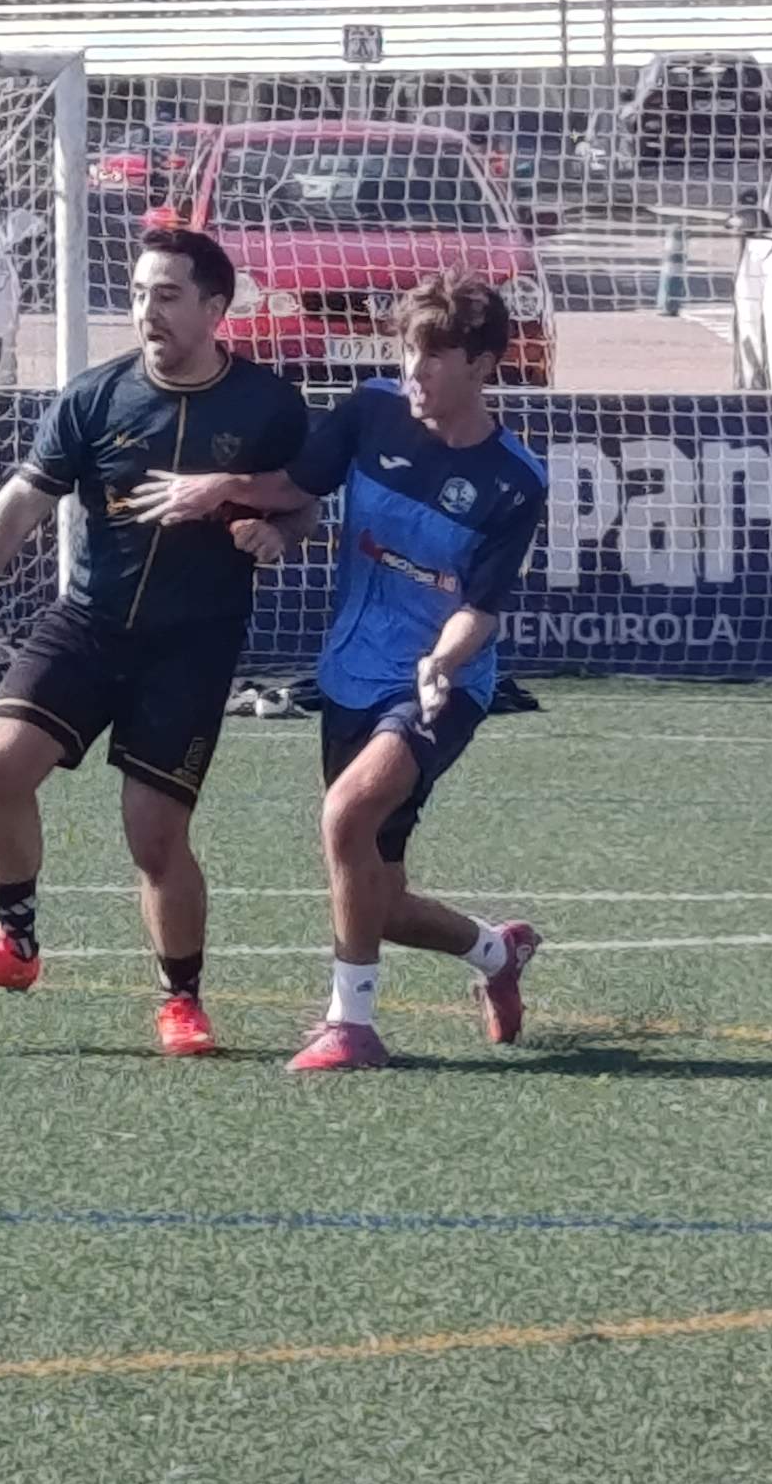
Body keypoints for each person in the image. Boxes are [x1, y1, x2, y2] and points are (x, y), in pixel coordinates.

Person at [0, 225, 313, 1057]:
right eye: (140, 293)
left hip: (192, 646)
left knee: (154, 835)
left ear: (215, 308)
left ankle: (181, 1000)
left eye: (169, 295)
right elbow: (22, 501)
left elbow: (302, 500)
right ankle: (13, 942)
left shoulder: (267, 404)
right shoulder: (95, 397)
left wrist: (276, 533)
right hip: (88, 623)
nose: (148, 310)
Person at [144, 273, 550, 1074]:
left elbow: (481, 608)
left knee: (345, 814)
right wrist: (227, 491)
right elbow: (293, 488)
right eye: (408, 352)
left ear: (482, 365)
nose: (413, 372)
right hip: (348, 677)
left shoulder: (515, 479)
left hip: (438, 686)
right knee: (379, 899)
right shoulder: (371, 412)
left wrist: (442, 661)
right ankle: (497, 953)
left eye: (434, 357)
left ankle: (351, 1026)